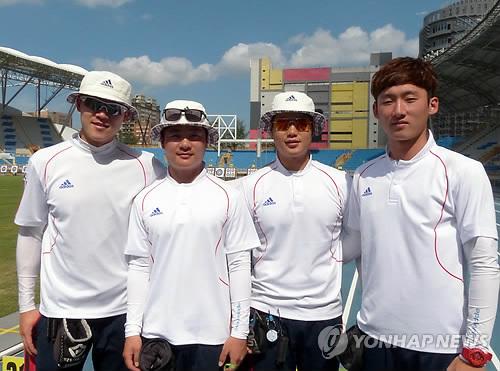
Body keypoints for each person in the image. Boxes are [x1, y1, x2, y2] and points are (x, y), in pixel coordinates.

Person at [344, 57, 499, 371]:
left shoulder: (463, 171)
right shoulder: (363, 176)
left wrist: (475, 350)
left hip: (438, 344)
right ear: (376, 111)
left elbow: (483, 262)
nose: (398, 110)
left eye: (410, 98)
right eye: (388, 101)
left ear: (432, 105)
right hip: (375, 339)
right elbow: (351, 246)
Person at [15, 71, 165, 371]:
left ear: (125, 116)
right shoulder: (45, 161)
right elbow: (31, 233)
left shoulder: (147, 166)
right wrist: (26, 306)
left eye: (113, 108)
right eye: (93, 103)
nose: (101, 114)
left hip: (126, 313)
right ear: (79, 104)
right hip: (61, 309)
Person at [122, 100, 261, 371]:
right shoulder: (144, 200)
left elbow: (240, 266)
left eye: (195, 136)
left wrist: (239, 332)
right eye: (175, 136)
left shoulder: (229, 196)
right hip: (156, 333)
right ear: (162, 142)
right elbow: (139, 268)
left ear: (206, 142)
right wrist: (132, 331)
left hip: (214, 334)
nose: (185, 144)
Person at [239, 91, 352, 371]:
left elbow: (359, 235)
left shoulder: (340, 182)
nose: (291, 131)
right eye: (282, 124)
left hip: (324, 314)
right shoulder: (250, 186)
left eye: (301, 124)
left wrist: (332, 257)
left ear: (312, 130)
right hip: (267, 312)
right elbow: (240, 255)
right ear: (270, 131)